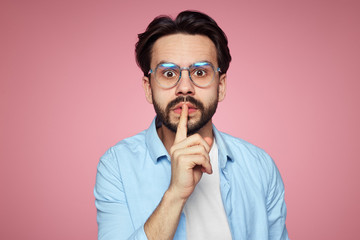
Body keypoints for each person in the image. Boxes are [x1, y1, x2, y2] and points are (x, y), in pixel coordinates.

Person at [94, 10, 289, 240]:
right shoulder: (117, 165)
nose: (184, 87)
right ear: (148, 88)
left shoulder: (260, 166)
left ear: (221, 86)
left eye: (200, 72)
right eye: (168, 73)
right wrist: (176, 194)